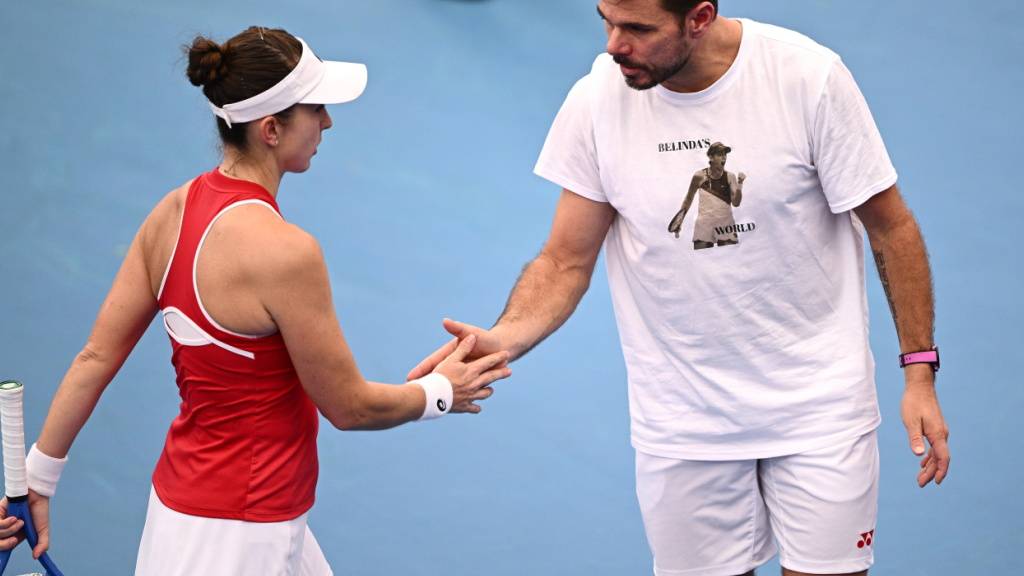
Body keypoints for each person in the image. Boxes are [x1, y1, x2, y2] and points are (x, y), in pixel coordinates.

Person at [409, 2, 949, 575]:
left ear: (699, 17)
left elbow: (891, 227)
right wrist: (505, 337)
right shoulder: (597, 99)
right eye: (607, 21)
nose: (614, 45)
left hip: (817, 410)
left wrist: (919, 373)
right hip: (681, 423)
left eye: (638, 29)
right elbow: (565, 260)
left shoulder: (807, 77)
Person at [0, 26, 510, 575]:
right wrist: (440, 391)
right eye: (315, 109)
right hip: (241, 543)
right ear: (271, 129)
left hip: (188, 517)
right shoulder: (285, 253)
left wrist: (38, 480)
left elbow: (94, 357)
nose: (328, 122)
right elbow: (349, 406)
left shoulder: (171, 213)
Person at [667, 141, 747, 249]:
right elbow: (689, 198)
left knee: (730, 258)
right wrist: (680, 220)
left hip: (726, 224)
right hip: (703, 226)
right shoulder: (699, 176)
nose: (723, 157)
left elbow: (736, 203)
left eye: (725, 155)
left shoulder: (730, 177)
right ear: (711, 157)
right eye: (719, 154)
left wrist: (740, 184)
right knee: (701, 260)